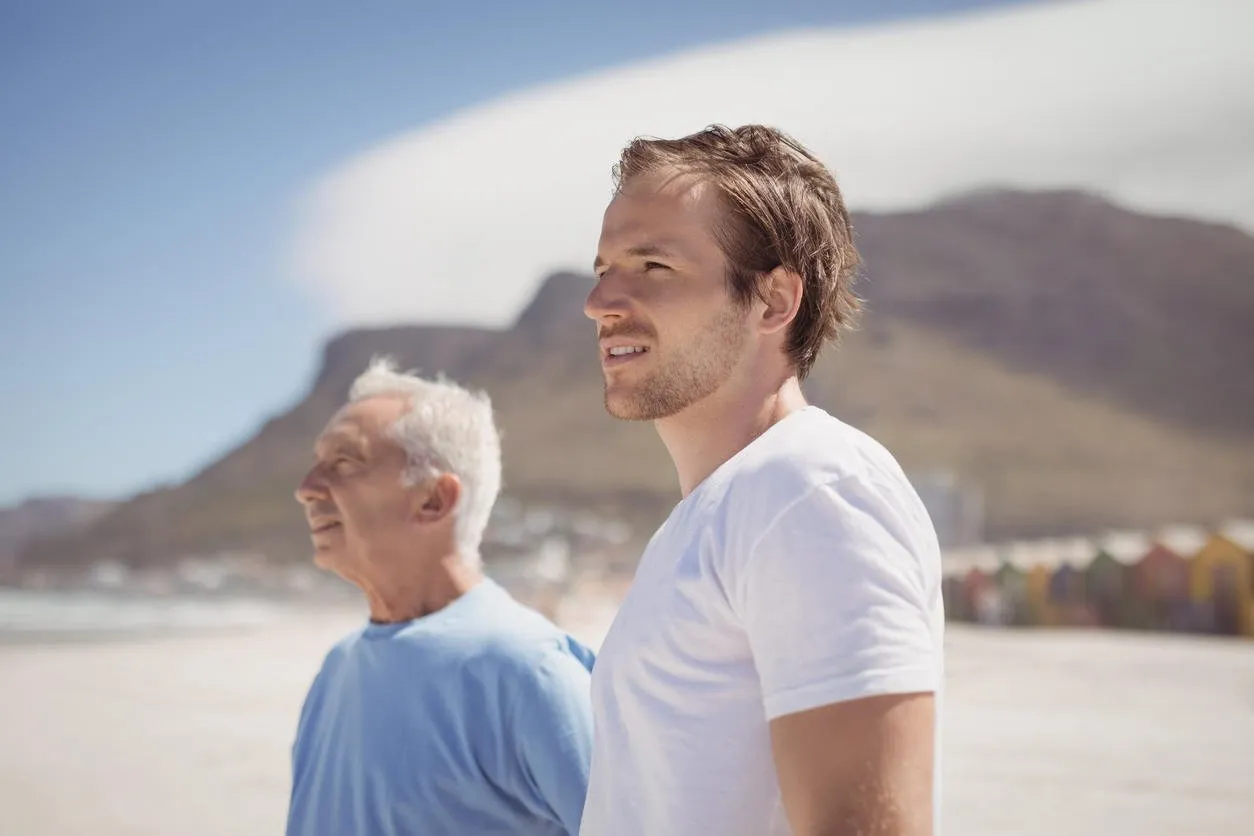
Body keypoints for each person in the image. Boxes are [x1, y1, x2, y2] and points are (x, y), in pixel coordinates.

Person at [580, 125, 945, 836]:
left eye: (652, 266)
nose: (600, 302)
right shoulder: (720, 511)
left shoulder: (807, 488)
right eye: (602, 269)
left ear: (774, 302)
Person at [286, 357, 596, 836]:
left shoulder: (527, 671)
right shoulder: (337, 669)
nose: (307, 489)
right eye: (316, 463)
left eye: (344, 462)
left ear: (434, 500)